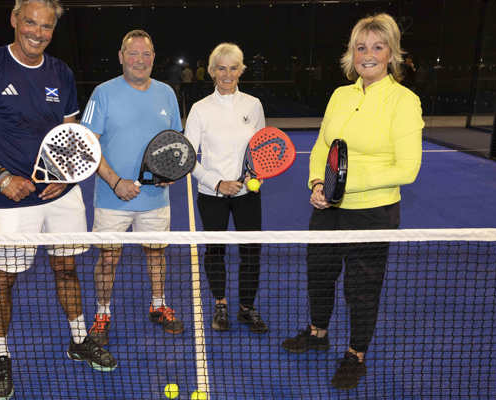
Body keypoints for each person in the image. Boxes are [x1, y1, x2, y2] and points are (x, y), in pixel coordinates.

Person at [0, 1, 117, 398]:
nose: (37, 33)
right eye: (30, 23)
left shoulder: (61, 72)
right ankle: (1, 355)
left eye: (46, 27)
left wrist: (65, 176)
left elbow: (71, 137)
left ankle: (79, 339)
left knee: (67, 269)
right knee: (4, 278)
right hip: (9, 199)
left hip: (61, 195)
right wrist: (1, 176)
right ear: (13, 19)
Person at [281, 13, 423, 390]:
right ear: (351, 54)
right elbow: (323, 146)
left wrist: (340, 186)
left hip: (374, 212)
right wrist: (317, 182)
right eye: (361, 47)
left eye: (377, 46)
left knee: (362, 288)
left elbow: (407, 169)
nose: (368, 54)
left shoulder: (404, 101)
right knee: (319, 275)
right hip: (328, 209)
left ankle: (355, 355)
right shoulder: (341, 95)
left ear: (391, 52)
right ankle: (318, 332)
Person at [80, 30, 184, 347]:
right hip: (112, 198)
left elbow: (175, 142)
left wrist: (171, 173)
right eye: (133, 53)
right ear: (121, 57)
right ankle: (102, 312)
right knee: (109, 259)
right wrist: (115, 181)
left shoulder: (167, 93)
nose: (140, 59)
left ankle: (158, 304)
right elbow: (87, 144)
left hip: (155, 198)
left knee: (156, 254)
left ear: (154, 57)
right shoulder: (102, 93)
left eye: (146, 53)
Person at [183, 43, 268, 334]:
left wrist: (251, 177)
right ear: (211, 72)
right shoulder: (199, 110)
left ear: (241, 70)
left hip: (248, 194)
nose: (227, 74)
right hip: (212, 195)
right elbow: (188, 158)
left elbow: (261, 149)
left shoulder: (253, 105)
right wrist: (217, 183)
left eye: (233, 68)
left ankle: (246, 307)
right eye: (221, 68)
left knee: (251, 253)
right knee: (215, 252)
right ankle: (220, 303)